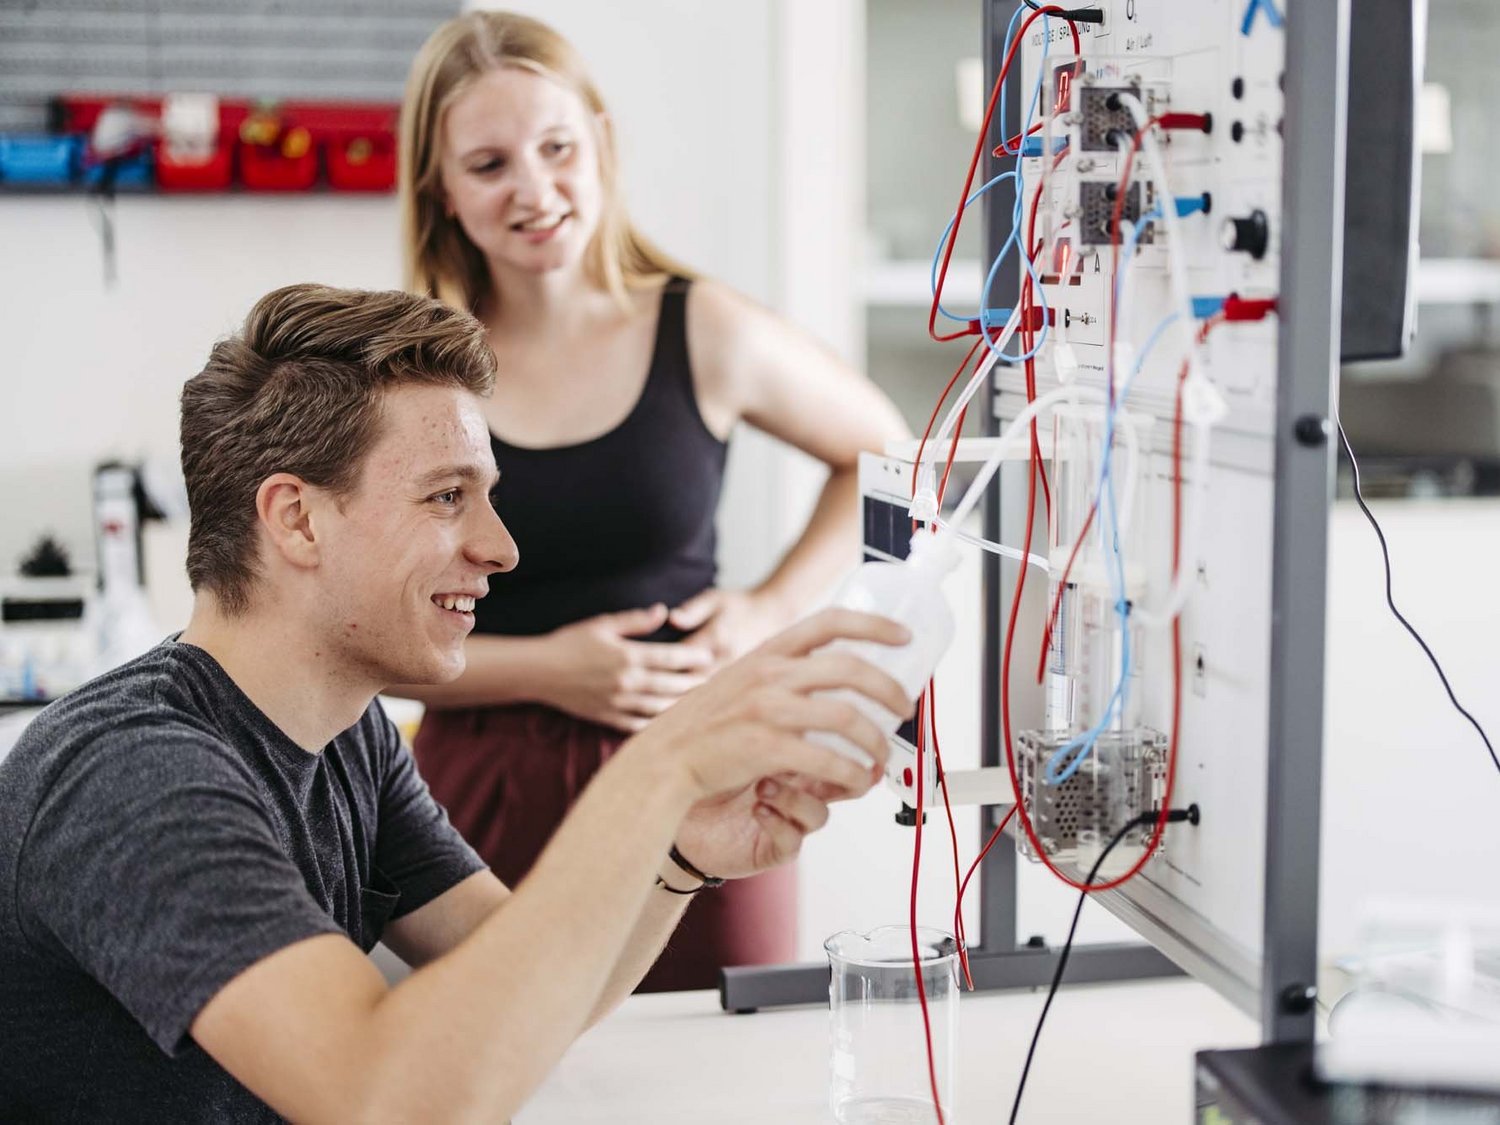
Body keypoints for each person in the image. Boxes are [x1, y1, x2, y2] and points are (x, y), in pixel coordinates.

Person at [0, 283, 912, 1122]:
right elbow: (379, 1093)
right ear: (297, 519)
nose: (503, 548)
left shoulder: (347, 732)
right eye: (448, 497)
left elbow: (529, 986)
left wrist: (676, 846)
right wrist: (659, 764)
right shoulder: (130, 772)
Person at [392, 10, 910, 990]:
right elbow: (367, 649)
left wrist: (768, 606)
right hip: (481, 799)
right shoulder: (413, 376)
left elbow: (892, 457)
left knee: (718, 1072)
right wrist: (548, 669)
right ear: (442, 190)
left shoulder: (703, 327)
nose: (535, 191)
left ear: (603, 144)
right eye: (491, 164)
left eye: (557, 148)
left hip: (704, 776)